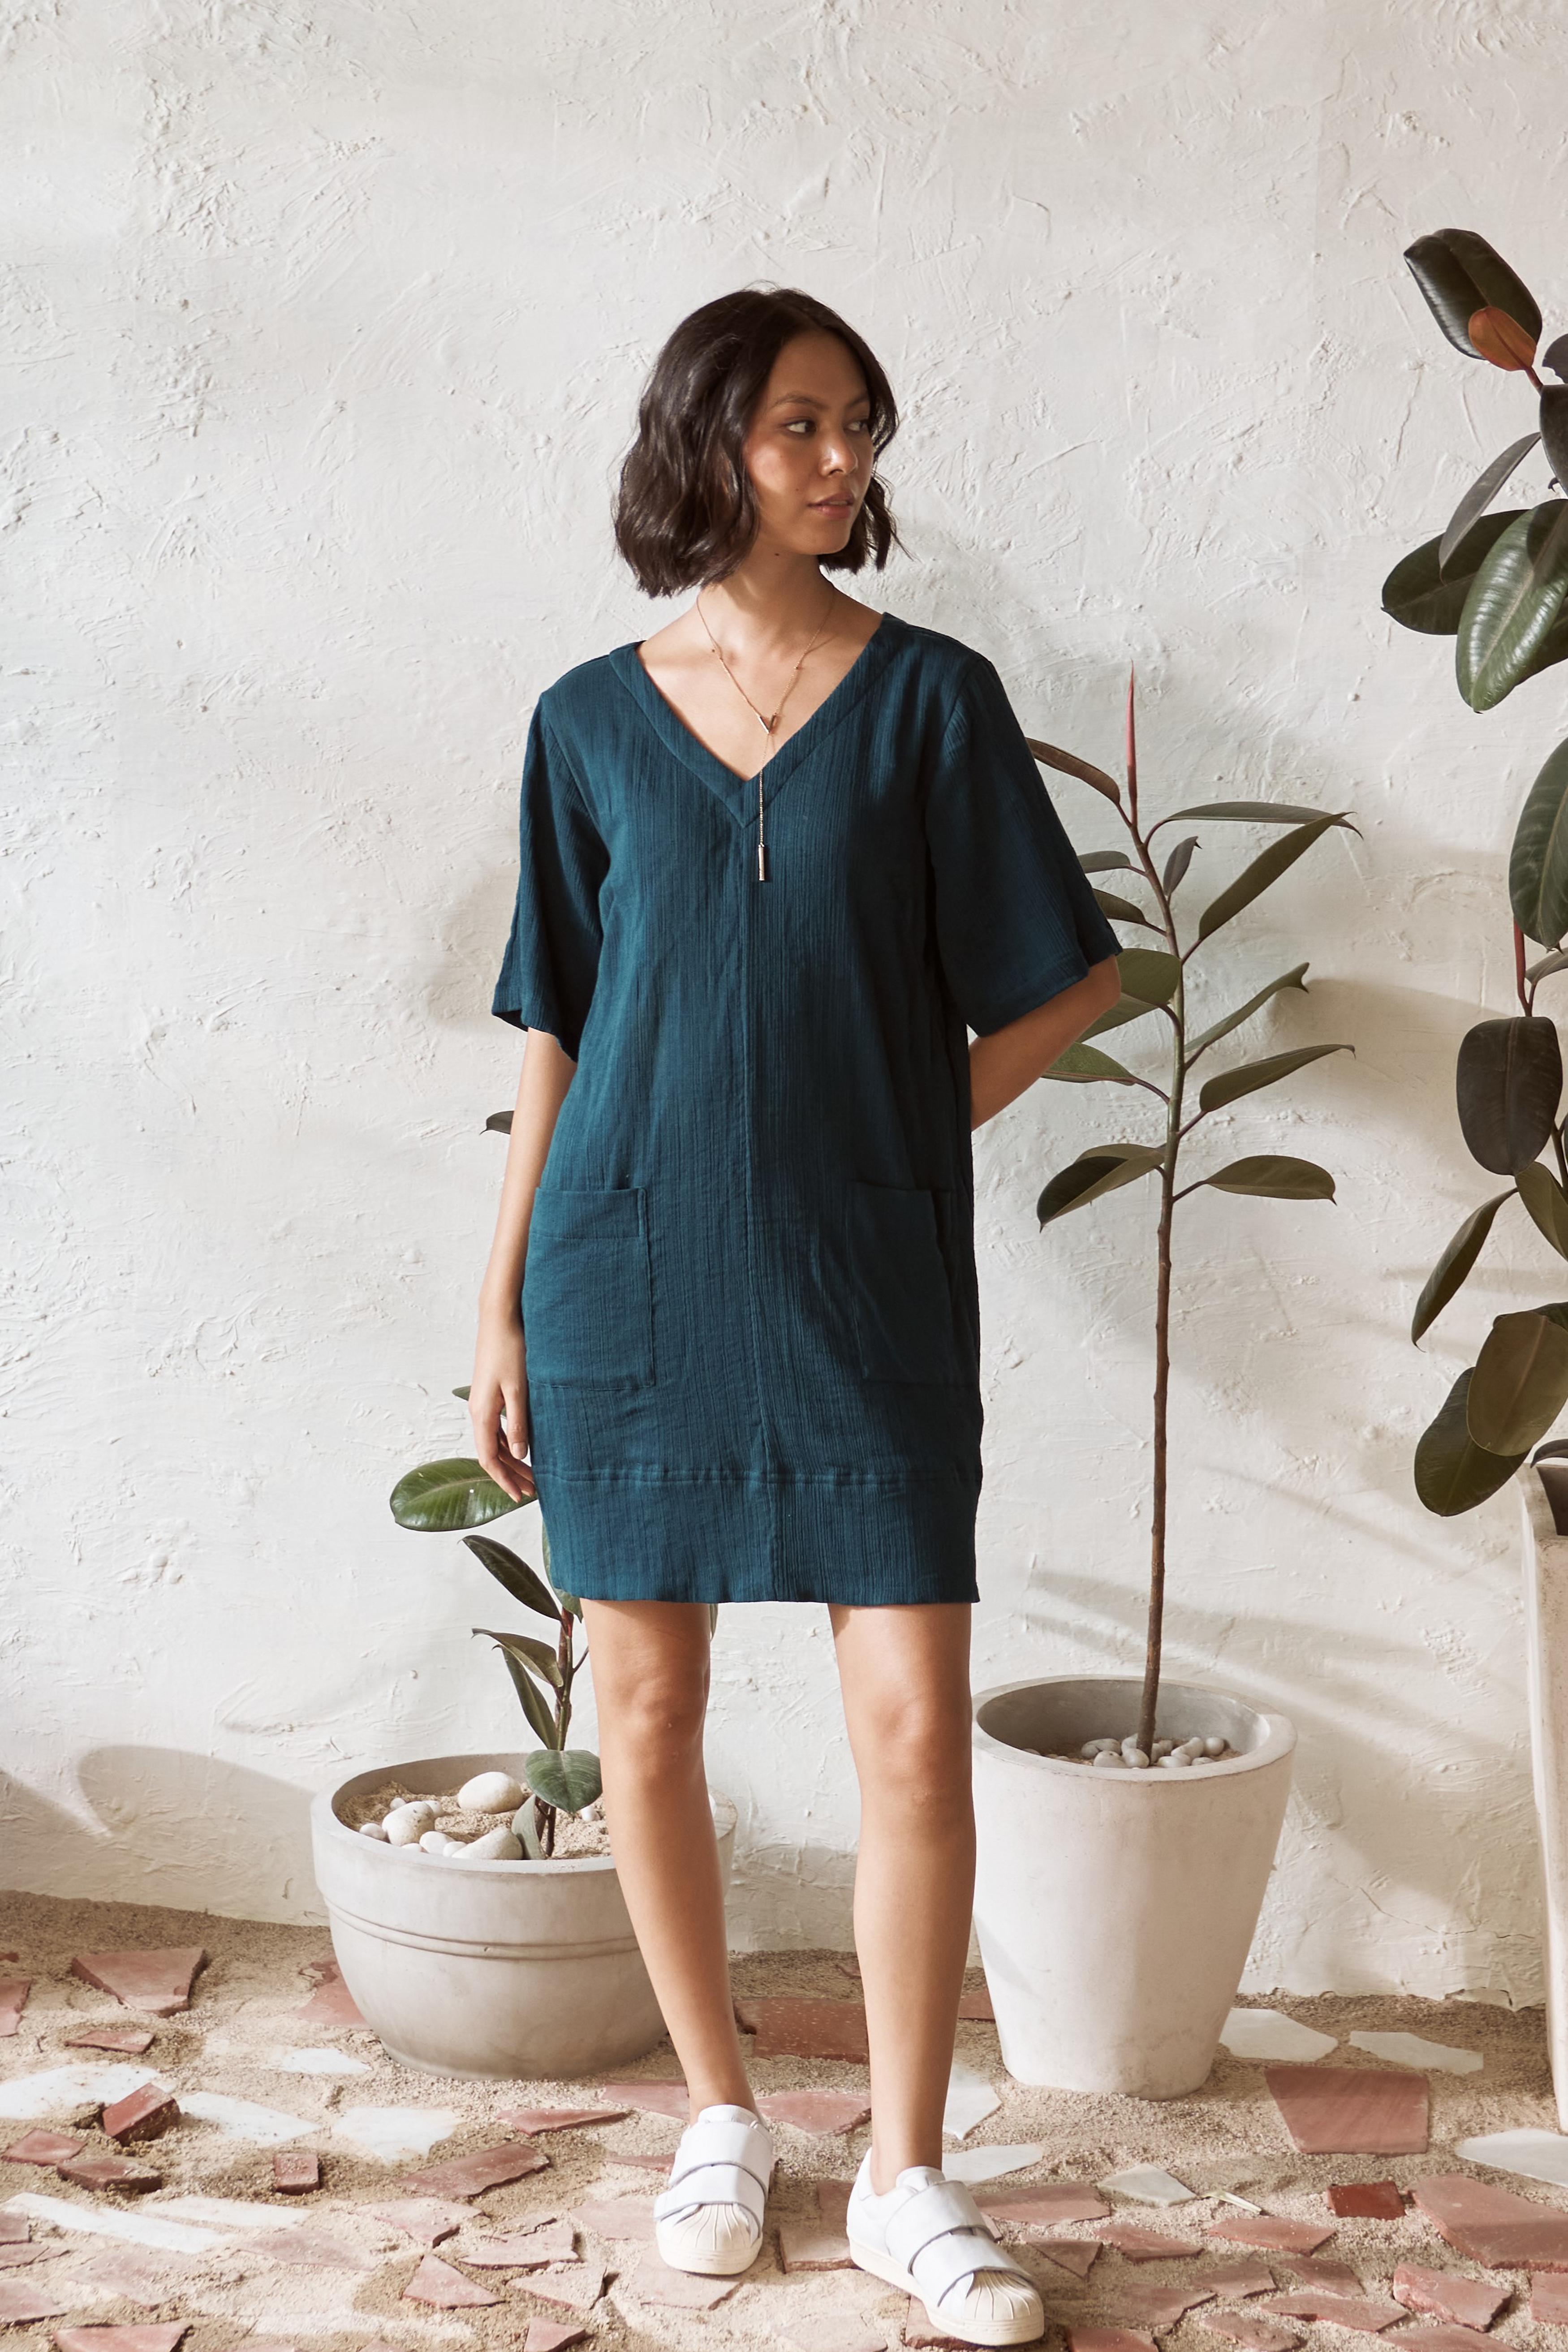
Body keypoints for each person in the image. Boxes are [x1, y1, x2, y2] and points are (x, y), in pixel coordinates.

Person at [470, 286, 1122, 2351]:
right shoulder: (586, 723)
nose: (843, 462)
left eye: (858, 425)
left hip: (860, 1272)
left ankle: (907, 2169)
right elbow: (556, 1024)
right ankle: (718, 2115)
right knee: (645, 1709)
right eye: (798, 428)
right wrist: (500, 1301)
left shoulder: (931, 701)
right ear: (708, 449)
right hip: (624, 1268)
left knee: (911, 1721)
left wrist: (887, 1121)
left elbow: (1067, 979)